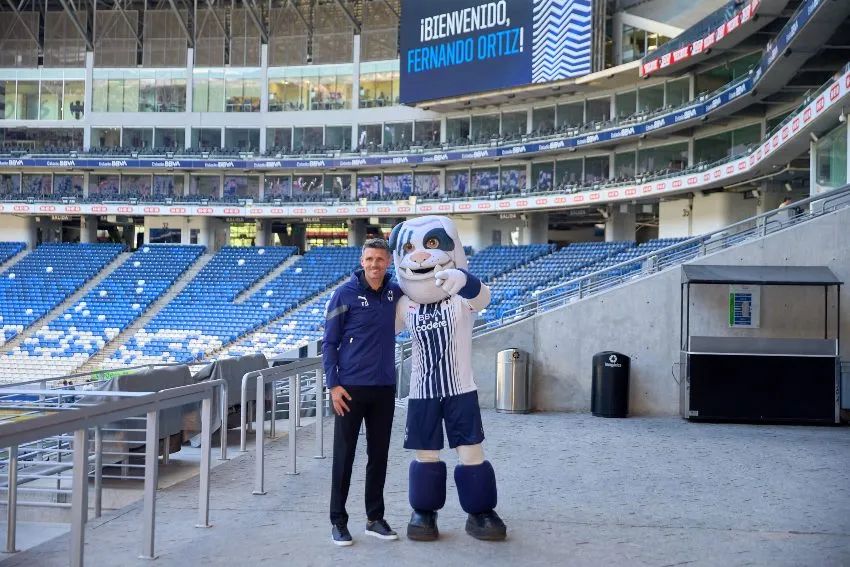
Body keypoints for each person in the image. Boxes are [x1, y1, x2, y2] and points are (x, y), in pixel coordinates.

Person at [323, 238, 402, 547]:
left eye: (379, 259)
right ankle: (338, 521)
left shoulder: (395, 292)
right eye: (369, 259)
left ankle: (374, 518)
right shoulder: (344, 294)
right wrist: (333, 385)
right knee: (344, 456)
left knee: (378, 456)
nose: (374, 264)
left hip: (383, 388)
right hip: (350, 389)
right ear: (362, 261)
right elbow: (329, 343)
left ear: (388, 262)